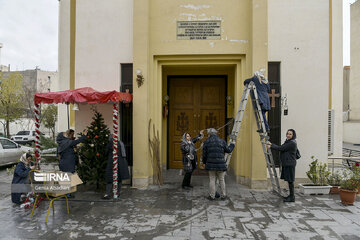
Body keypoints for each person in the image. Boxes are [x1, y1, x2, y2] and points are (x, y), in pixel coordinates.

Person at [202, 128, 235, 200]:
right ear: (216, 133)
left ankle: (212, 196)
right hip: (221, 164)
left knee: (212, 180)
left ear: (209, 134)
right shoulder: (222, 141)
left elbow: (204, 154)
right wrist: (232, 144)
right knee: (221, 180)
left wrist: (204, 163)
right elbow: (228, 150)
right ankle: (224, 195)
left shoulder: (206, 142)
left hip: (210, 164)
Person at [266, 129, 298, 202]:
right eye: (287, 134)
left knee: (290, 181)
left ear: (293, 135)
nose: (288, 135)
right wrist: (272, 145)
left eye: (290, 134)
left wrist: (271, 146)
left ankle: (292, 197)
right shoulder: (288, 141)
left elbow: (281, 148)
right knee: (289, 180)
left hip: (290, 164)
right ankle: (291, 196)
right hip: (288, 163)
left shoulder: (291, 143)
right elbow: (282, 147)